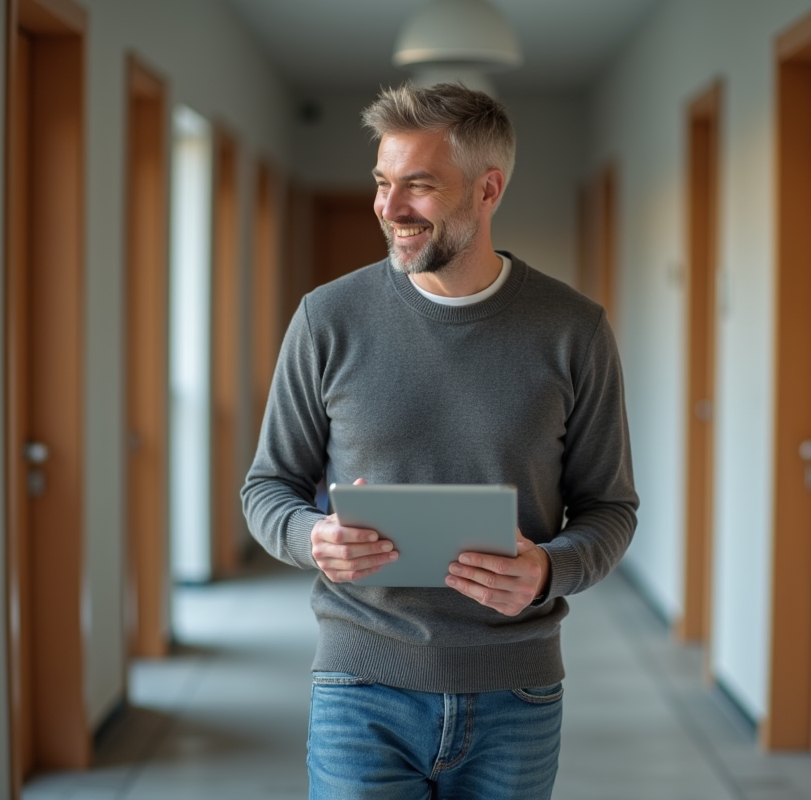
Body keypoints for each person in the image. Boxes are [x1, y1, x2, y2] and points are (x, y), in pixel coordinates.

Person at [241, 82, 638, 800]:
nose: (389, 209)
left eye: (418, 186)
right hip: (359, 687)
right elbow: (266, 488)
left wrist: (550, 570)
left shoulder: (574, 331)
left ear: (488, 189)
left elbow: (610, 509)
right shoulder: (326, 319)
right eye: (383, 183)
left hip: (516, 692)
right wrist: (312, 539)